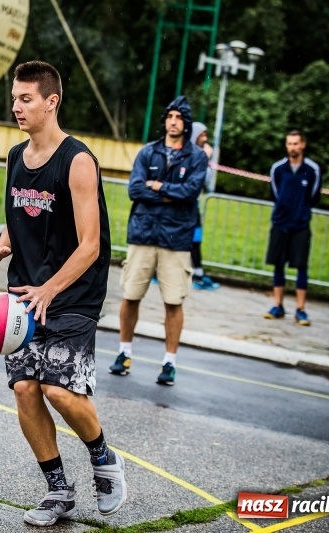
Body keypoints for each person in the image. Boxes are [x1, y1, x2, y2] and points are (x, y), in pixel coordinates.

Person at [0, 60, 126, 527]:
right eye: (15, 98)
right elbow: (20, 217)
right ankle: (58, 491)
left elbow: (91, 245)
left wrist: (50, 287)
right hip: (25, 293)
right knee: (24, 388)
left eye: (26, 98)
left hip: (72, 294)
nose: (16, 106)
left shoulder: (78, 160)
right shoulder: (14, 157)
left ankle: (103, 457)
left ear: (51, 101)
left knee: (59, 391)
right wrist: (3, 247)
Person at [108, 96, 207, 385]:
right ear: (164, 120)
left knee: (173, 302)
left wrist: (159, 187)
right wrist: (168, 194)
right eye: (169, 116)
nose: (173, 121)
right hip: (143, 233)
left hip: (176, 239)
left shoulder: (197, 157)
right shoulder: (147, 153)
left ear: (186, 124)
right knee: (130, 296)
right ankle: (124, 353)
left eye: (179, 117)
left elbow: (190, 193)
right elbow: (136, 190)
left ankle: (169, 362)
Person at [264, 130, 321, 325]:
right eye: (289, 144)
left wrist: (300, 213)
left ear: (303, 144)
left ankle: (301, 309)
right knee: (278, 264)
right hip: (280, 223)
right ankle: (278, 305)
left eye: (296, 143)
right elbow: (275, 194)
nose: (293, 147)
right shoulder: (278, 169)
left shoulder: (312, 169)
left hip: (300, 225)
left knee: (301, 266)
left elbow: (313, 196)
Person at [189, 122, 219, 291]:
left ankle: (199, 274)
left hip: (194, 205)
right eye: (202, 135)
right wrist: (206, 159)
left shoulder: (200, 154)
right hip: (185, 206)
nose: (205, 139)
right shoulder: (189, 154)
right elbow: (199, 179)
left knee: (195, 241)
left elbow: (207, 182)